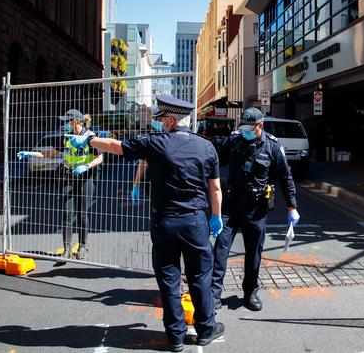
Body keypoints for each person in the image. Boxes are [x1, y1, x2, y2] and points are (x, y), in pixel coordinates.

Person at [65, 96, 225, 351]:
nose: (159, 123)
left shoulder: (156, 143)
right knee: (200, 277)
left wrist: (89, 139)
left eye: (162, 119)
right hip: (195, 222)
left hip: (164, 222)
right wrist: (216, 216)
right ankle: (206, 329)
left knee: (170, 279)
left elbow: (118, 147)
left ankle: (175, 337)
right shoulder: (206, 147)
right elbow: (215, 188)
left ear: (171, 120)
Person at [212, 107, 300, 311]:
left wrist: (292, 206)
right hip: (231, 205)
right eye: (242, 127)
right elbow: (215, 161)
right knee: (220, 248)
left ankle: (250, 292)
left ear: (260, 126)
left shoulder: (273, 146)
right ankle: (214, 293)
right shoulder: (233, 140)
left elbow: (285, 177)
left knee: (253, 254)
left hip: (256, 208)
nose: (245, 131)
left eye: (249, 128)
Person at [16, 109, 103, 265]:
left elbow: (100, 157)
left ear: (75, 121)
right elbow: (50, 154)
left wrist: (87, 166)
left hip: (85, 178)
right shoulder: (65, 137)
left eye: (67, 121)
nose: (64, 124)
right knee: (66, 214)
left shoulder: (90, 136)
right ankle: (67, 250)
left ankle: (83, 246)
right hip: (67, 176)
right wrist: (31, 153)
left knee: (82, 213)